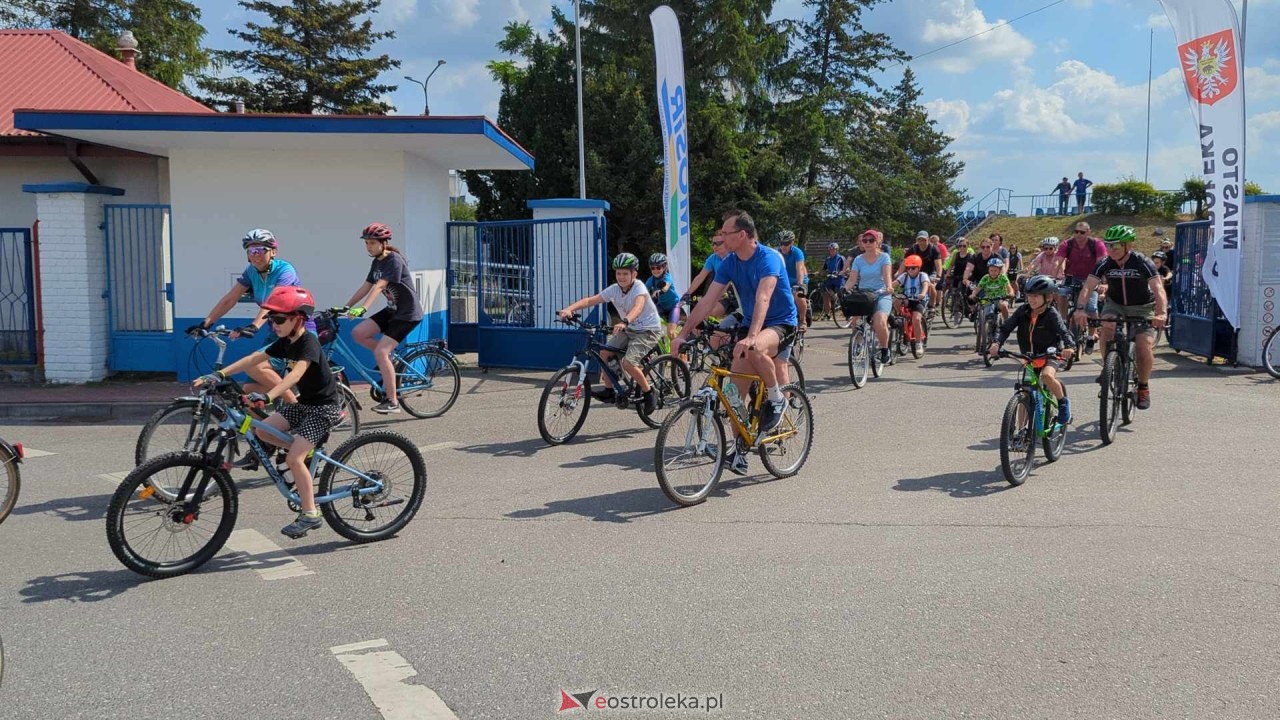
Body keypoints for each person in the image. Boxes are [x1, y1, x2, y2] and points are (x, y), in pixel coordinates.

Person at [194, 286, 345, 539]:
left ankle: (310, 513)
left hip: (324, 408)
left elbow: (296, 374)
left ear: (298, 318)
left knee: (294, 458)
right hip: (304, 404)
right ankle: (304, 451)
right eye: (271, 319)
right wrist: (219, 374)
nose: (273, 324)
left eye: (279, 319)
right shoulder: (285, 341)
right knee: (261, 432)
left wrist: (269, 395)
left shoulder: (308, 342)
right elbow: (254, 358)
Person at [675, 210, 798, 475]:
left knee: (755, 346)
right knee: (733, 394)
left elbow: (764, 297)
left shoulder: (769, 258)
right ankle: (740, 453)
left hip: (781, 322)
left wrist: (752, 336)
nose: (721, 237)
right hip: (752, 322)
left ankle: (777, 399)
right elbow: (708, 301)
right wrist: (684, 333)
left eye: (725, 233)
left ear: (742, 235)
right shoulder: (729, 262)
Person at [186, 228, 308, 404]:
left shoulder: (285, 270)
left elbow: (272, 302)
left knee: (254, 365)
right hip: (276, 332)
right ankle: (264, 431)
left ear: (273, 251)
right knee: (249, 394)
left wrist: (254, 325)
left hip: (295, 332)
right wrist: (206, 323)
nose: (255, 255)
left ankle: (295, 406)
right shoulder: (251, 272)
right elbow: (230, 299)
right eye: (251, 251)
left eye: (260, 250)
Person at [1073, 225, 1168, 410]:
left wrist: (1161, 313)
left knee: (1143, 346)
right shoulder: (1105, 262)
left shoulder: (1142, 261)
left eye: (1116, 246)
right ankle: (1108, 367)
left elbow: (1158, 289)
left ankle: (1143, 386)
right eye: (1108, 245)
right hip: (1115, 304)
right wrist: (1080, 309)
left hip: (1142, 307)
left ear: (1128, 245)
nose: (1111, 250)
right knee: (1107, 325)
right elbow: (1088, 286)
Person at [560, 253, 661, 413]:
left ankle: (649, 392)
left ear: (634, 274)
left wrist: (625, 321)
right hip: (629, 329)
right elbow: (591, 300)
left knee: (629, 363)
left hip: (647, 330)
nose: (621, 277)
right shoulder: (614, 289)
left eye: (625, 273)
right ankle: (609, 391)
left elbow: (638, 307)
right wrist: (569, 309)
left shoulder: (639, 287)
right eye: (618, 273)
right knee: (605, 352)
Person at [341, 223, 424, 414]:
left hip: (407, 314)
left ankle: (392, 401)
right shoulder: (377, 262)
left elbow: (379, 286)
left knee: (380, 352)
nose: (368, 247)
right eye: (366, 243)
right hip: (392, 310)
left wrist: (363, 308)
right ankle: (389, 358)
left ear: (384, 242)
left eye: (372, 243)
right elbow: (366, 286)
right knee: (359, 333)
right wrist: (347, 307)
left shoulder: (393, 259)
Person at [988, 275, 1076, 425]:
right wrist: (996, 343)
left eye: (1036, 296)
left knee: (1047, 376)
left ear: (1047, 297)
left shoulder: (1051, 313)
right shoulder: (1023, 311)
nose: (1032, 299)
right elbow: (1006, 328)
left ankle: (1063, 403)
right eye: (1029, 296)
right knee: (1026, 391)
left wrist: (1069, 346)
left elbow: (1064, 331)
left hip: (1050, 355)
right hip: (1030, 357)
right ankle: (1021, 432)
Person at [842, 228, 894, 365]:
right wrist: (844, 289)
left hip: (881, 293)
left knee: (880, 321)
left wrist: (889, 287)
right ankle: (858, 343)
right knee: (855, 321)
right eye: (865, 240)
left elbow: (887, 275)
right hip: (864, 294)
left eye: (871, 240)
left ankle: (884, 349)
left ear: (877, 242)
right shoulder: (858, 259)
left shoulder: (884, 257)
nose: (868, 243)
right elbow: (852, 280)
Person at [1054, 221, 1107, 351]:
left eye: (1082, 232)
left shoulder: (1096, 244)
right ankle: (1064, 319)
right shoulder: (1067, 244)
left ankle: (1090, 336)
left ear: (1089, 232)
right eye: (1076, 231)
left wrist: (1104, 282)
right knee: (1061, 292)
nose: (1078, 235)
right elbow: (1057, 261)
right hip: (1071, 276)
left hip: (1091, 278)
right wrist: (1054, 277)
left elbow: (1103, 263)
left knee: (1092, 308)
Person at [894, 254, 932, 355]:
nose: (910, 270)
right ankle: (901, 317)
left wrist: (923, 294)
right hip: (908, 299)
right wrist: (887, 288)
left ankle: (918, 342)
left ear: (919, 268)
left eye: (913, 268)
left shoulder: (922, 275)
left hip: (919, 300)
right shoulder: (904, 276)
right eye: (908, 268)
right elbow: (895, 283)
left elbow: (925, 285)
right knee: (896, 300)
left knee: (916, 319)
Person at [646, 253, 682, 345]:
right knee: (647, 326)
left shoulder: (667, 277)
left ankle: (680, 354)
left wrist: (659, 291)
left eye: (658, 267)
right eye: (652, 268)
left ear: (664, 267)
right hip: (661, 306)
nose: (655, 270)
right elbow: (643, 291)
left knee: (670, 332)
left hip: (673, 306)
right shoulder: (651, 280)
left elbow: (666, 287)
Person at [777, 230, 809, 332]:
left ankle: (802, 320)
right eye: (781, 244)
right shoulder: (777, 253)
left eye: (786, 244)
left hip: (798, 280)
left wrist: (799, 284)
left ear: (792, 243)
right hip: (785, 282)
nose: (783, 247)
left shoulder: (797, 252)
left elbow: (799, 269)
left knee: (798, 296)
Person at [970, 256, 1015, 324]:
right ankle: (982, 324)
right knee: (982, 306)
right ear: (988, 270)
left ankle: (1006, 322)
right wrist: (973, 294)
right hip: (988, 298)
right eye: (991, 270)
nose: (993, 272)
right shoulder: (985, 278)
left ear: (999, 271)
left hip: (1000, 298)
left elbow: (1009, 287)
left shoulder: (1003, 277)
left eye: (995, 271)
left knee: (1004, 305)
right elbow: (978, 288)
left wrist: (1011, 293)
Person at [818, 242, 848, 319]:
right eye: (830, 250)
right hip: (830, 278)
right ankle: (828, 314)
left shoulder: (841, 258)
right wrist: (818, 273)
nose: (831, 251)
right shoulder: (828, 259)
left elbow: (846, 269)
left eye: (833, 250)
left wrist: (840, 273)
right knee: (825, 294)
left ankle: (847, 313)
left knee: (840, 293)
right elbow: (823, 269)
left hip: (839, 278)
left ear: (836, 250)